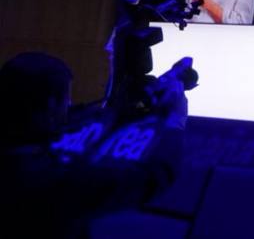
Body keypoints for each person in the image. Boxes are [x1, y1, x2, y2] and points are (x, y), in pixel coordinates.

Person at [0, 51, 188, 236]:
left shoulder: (17, 150)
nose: (70, 105)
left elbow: (67, 118)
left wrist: (121, 107)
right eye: (67, 100)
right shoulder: (59, 181)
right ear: (51, 104)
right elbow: (152, 177)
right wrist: (175, 121)